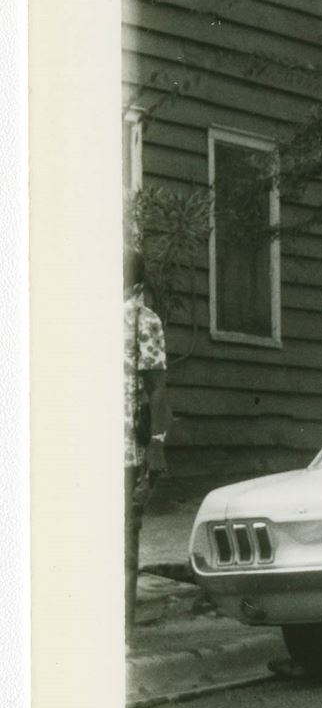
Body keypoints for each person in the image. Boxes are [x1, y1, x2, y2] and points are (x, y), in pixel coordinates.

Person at [125, 250, 168, 631]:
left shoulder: (143, 320)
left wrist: (156, 444)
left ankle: (120, 632)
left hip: (125, 449)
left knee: (124, 538)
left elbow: (156, 389)